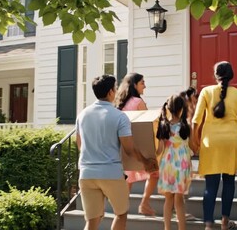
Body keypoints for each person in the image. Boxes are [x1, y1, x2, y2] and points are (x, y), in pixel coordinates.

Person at [76, 75, 157, 230]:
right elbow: (129, 149)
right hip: (110, 173)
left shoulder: (82, 115)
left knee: (93, 220)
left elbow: (79, 144)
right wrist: (146, 162)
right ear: (110, 92)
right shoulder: (119, 117)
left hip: (86, 173)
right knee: (121, 214)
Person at [191, 61, 237, 230]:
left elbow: (196, 120)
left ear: (215, 75)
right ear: (231, 75)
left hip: (211, 143)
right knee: (229, 182)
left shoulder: (206, 91)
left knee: (211, 185)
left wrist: (195, 142)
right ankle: (225, 222)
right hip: (232, 142)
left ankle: (208, 224)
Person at [114, 72, 159, 216]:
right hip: (139, 146)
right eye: (142, 83)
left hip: (125, 146)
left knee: (128, 179)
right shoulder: (138, 102)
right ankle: (144, 203)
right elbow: (148, 122)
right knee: (154, 172)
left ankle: (120, 210)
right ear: (135, 85)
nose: (144, 86)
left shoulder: (119, 103)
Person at [156, 94, 192, 230]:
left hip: (168, 165)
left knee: (168, 199)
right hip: (182, 165)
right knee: (179, 200)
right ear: (181, 109)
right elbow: (193, 146)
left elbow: (159, 150)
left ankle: (167, 228)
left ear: (168, 108)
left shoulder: (163, 126)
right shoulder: (186, 126)